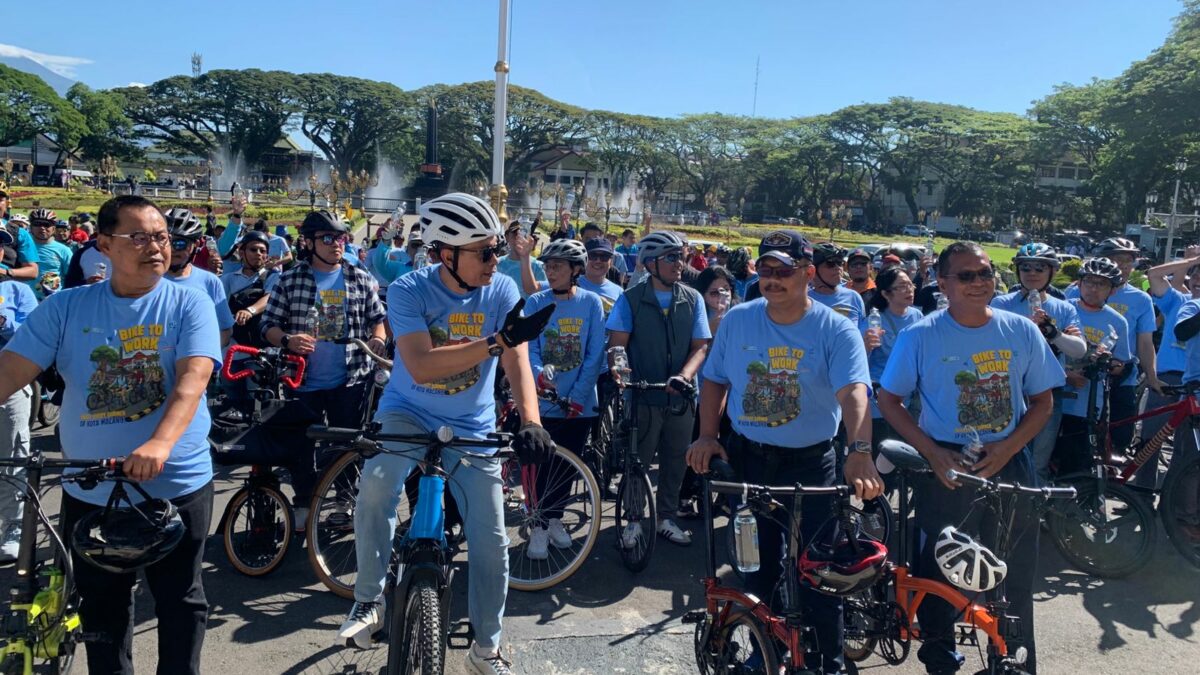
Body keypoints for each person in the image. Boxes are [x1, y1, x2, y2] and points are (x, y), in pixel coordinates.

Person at [0, 194, 221, 674]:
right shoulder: (66, 307)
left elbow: (193, 379)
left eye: (161, 237)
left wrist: (160, 443)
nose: (156, 248)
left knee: (180, 602)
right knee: (102, 611)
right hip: (90, 485)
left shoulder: (190, 301)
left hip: (174, 482)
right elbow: (9, 372)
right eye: (138, 237)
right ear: (102, 244)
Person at [342, 193, 556, 675]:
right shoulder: (408, 290)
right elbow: (418, 365)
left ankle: (487, 648)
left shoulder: (500, 290)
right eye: (484, 252)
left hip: (472, 422)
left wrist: (532, 420)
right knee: (376, 484)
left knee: (492, 538)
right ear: (446, 254)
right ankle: (369, 598)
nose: (494, 261)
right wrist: (497, 340)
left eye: (496, 250)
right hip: (408, 410)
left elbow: (516, 358)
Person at [686, 229, 883, 674]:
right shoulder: (739, 319)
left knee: (820, 573)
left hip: (814, 460)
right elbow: (715, 378)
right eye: (766, 271)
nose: (773, 280)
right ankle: (764, 651)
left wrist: (860, 450)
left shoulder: (835, 327)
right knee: (756, 568)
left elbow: (854, 391)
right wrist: (707, 434)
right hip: (751, 459)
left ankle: (827, 663)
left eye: (784, 271)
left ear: (808, 274)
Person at [878, 241, 1065, 674]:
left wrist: (1008, 447)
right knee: (942, 574)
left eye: (985, 274)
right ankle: (942, 661)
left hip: (1010, 463)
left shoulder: (1021, 330)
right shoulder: (920, 335)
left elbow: (1042, 402)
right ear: (942, 283)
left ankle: (1014, 660)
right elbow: (889, 401)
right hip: (947, 468)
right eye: (966, 275)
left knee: (1014, 575)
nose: (979, 282)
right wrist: (933, 453)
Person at [259, 210, 388, 528]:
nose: (336, 245)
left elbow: (378, 319)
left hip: (352, 377)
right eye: (328, 238)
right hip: (303, 380)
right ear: (309, 242)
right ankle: (304, 502)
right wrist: (288, 339)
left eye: (341, 238)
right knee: (302, 444)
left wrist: (377, 340)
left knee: (347, 443)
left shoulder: (359, 277)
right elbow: (268, 325)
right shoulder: (291, 278)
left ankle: (344, 501)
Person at [606, 230, 710, 547]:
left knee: (676, 459)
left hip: (681, 398)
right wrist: (619, 369)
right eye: (672, 257)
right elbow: (617, 345)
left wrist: (684, 376)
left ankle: (666, 517)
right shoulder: (630, 299)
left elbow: (701, 346)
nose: (680, 263)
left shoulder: (693, 299)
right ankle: (634, 519)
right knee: (637, 460)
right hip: (643, 395)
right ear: (650, 263)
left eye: (681, 256)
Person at [524, 238, 605, 560]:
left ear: (575, 270)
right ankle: (538, 525)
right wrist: (540, 378)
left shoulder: (591, 303)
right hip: (544, 402)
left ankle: (555, 517)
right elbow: (528, 348)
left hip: (580, 404)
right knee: (539, 465)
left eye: (557, 266)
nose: (550, 271)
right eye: (547, 265)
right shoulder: (535, 302)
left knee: (569, 466)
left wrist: (578, 396)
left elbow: (595, 352)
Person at [990, 242, 1086, 483]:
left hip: (1047, 392)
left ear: (1051, 272)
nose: (1032, 273)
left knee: (1038, 462)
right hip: (1005, 391)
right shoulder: (1002, 304)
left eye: (1040, 268)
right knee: (1001, 456)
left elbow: (1079, 349)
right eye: (1026, 268)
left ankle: (1030, 517)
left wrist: (1054, 333)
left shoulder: (1063, 308)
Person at [1065, 237, 1158, 458]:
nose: (1123, 265)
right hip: (1074, 373)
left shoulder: (1141, 299)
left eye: (1128, 260)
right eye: (1116, 259)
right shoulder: (1072, 294)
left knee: (1118, 435)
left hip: (1119, 371)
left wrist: (1152, 378)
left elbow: (1145, 343)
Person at [1055, 258, 1131, 478]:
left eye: (1102, 284)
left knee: (1075, 463)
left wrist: (1108, 362)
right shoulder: (1062, 309)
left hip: (1085, 404)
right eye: (1089, 281)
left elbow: (1120, 364)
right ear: (1079, 283)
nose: (1093, 288)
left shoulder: (1117, 322)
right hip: (1054, 396)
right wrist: (1066, 375)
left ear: (1113, 290)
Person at [1139, 251, 1200, 488]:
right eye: (1195, 276)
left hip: (1195, 385)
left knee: (1187, 448)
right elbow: (1153, 275)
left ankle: (1173, 500)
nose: (1198, 281)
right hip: (1168, 379)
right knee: (1151, 438)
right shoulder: (1177, 301)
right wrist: (1192, 261)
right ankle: (1141, 492)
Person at [864, 267, 924, 451]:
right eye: (902, 286)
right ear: (885, 294)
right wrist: (866, 346)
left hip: (910, 401)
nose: (909, 290)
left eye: (910, 285)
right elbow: (858, 362)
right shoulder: (874, 320)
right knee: (884, 458)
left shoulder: (917, 316)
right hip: (880, 402)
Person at [0, 273, 36, 561]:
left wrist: (5, 323)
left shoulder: (17, 291)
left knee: (12, 454)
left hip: (11, 383)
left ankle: (14, 525)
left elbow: (36, 336)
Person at [162, 208, 234, 348]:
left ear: (196, 244)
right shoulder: (146, 280)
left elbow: (225, 330)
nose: (173, 249)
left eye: (180, 243)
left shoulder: (210, 282)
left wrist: (202, 358)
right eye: (166, 242)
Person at [808, 243, 867, 328]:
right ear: (813, 270)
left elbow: (861, 333)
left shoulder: (854, 297)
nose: (838, 268)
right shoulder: (804, 300)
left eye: (839, 263)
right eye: (830, 264)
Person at [27, 208, 72, 299]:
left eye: (47, 224)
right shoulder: (23, 247)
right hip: (26, 300)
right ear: (31, 227)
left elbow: (71, 278)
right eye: (38, 224)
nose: (42, 228)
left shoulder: (64, 250)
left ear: (54, 229)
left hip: (53, 301)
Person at [497, 221, 546, 298]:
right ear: (507, 237)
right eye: (515, 234)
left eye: (523, 234)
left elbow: (543, 297)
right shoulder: (497, 264)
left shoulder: (538, 267)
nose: (519, 239)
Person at [578, 237, 624, 313]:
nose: (598, 261)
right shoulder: (570, 286)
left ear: (611, 261)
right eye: (593, 256)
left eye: (604, 257)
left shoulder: (619, 292)